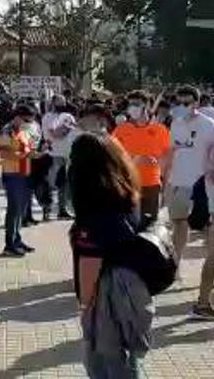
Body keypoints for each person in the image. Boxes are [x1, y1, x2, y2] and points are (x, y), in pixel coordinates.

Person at [69, 133, 151, 378]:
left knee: (103, 364)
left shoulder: (92, 216)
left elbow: (90, 267)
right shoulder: (128, 198)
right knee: (130, 363)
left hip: (106, 297)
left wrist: (85, 306)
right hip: (135, 290)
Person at [162, 86, 214, 285]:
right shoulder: (175, 123)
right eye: (179, 103)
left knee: (207, 229)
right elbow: (172, 151)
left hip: (203, 185)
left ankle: (208, 273)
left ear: (197, 104)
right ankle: (176, 266)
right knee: (179, 224)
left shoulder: (209, 125)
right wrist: (166, 179)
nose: (182, 107)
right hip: (179, 181)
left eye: (187, 103)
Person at [112, 90, 171, 228]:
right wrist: (133, 161)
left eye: (137, 104)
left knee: (150, 228)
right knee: (128, 227)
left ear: (148, 106)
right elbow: (112, 157)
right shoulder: (121, 130)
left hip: (151, 185)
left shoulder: (160, 130)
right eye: (131, 104)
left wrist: (166, 185)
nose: (133, 107)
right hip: (128, 185)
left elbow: (167, 159)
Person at [0, 105, 37, 257]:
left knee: (21, 209)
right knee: (14, 209)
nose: (28, 123)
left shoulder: (24, 131)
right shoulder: (6, 131)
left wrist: (35, 153)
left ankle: (17, 239)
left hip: (24, 173)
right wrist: (24, 155)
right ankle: (9, 244)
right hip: (12, 174)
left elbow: (27, 149)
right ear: (18, 117)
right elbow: (4, 153)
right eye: (26, 120)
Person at [44, 95, 76, 220]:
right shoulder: (48, 117)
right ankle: (47, 210)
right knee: (51, 183)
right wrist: (65, 128)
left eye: (63, 102)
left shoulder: (68, 116)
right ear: (53, 103)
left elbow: (74, 129)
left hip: (67, 154)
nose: (62, 105)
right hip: (54, 154)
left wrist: (65, 128)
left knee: (65, 184)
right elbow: (55, 134)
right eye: (59, 103)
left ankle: (63, 210)